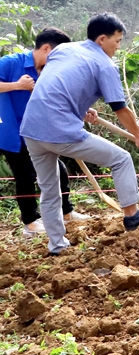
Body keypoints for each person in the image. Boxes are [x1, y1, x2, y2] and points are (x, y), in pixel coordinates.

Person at [19, 13, 139, 255]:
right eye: (117, 41)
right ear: (101, 39)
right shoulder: (105, 65)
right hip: (59, 130)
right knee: (121, 159)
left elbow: (56, 80)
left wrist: (79, 106)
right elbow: (120, 107)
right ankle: (132, 215)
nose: (119, 47)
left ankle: (57, 245)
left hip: (32, 129)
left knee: (49, 190)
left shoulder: (65, 49)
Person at [0, 28, 91, 239]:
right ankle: (30, 223)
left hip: (39, 130)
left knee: (59, 169)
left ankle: (66, 212)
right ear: (46, 48)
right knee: (25, 175)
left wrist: (83, 110)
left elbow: (59, 98)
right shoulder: (10, 62)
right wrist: (17, 85)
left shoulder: (50, 70)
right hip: (12, 131)